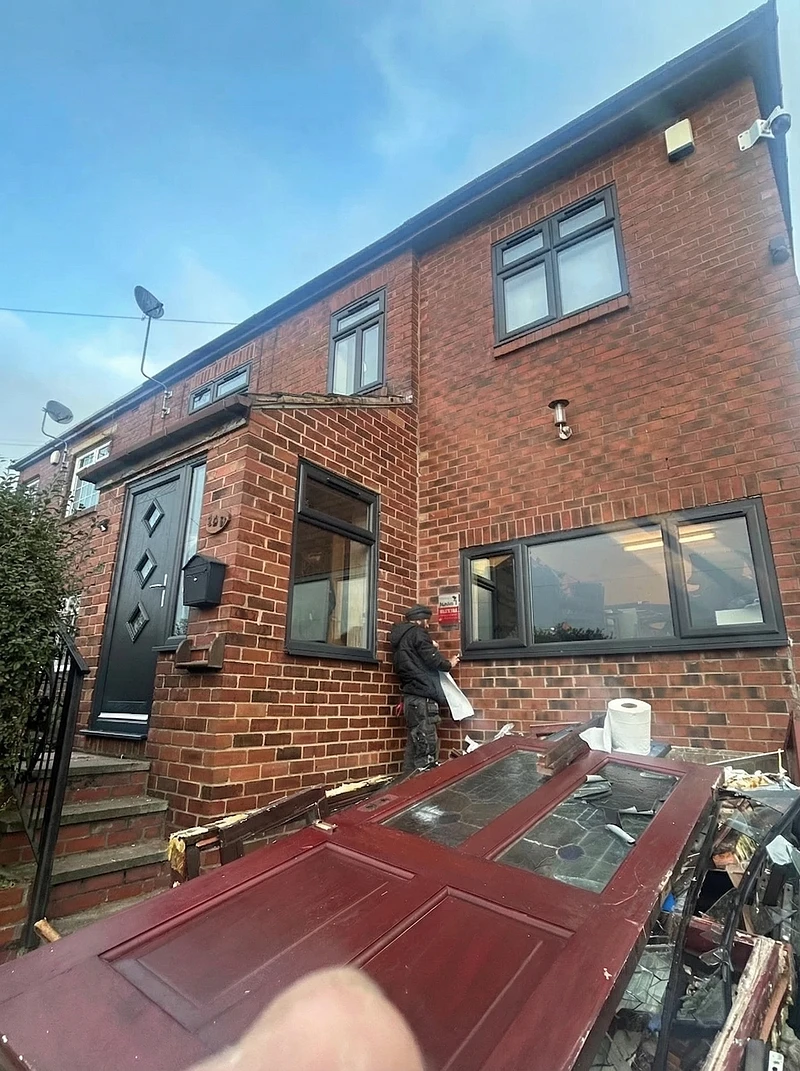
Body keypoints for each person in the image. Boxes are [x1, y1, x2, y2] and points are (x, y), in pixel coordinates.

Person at [390, 604, 460, 771]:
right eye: (426, 622)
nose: (428, 626)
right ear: (419, 621)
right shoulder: (418, 633)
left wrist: (429, 645)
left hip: (410, 698)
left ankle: (406, 786)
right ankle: (425, 791)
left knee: (415, 745)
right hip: (423, 699)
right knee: (427, 747)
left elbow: (415, 657)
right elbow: (432, 660)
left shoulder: (401, 638)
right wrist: (449, 663)